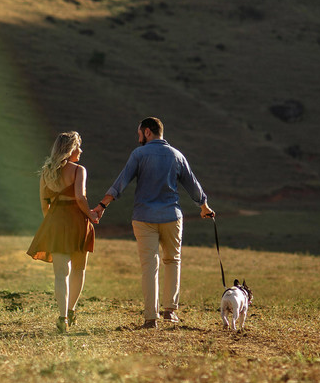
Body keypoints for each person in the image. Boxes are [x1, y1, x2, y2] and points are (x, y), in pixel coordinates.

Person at [97, 117, 214, 329]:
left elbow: (121, 181)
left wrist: (102, 206)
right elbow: (192, 185)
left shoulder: (139, 154)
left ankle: (151, 318)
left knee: (150, 267)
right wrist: (204, 206)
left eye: (139, 133)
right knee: (172, 261)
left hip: (144, 218)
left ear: (148, 132)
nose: (138, 137)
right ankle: (170, 311)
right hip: (172, 216)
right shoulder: (177, 155)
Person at [27, 131, 102, 333]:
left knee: (61, 274)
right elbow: (80, 197)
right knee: (79, 269)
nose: (81, 150)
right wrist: (92, 215)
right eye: (79, 146)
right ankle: (72, 310)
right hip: (77, 221)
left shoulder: (46, 172)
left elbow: (45, 204)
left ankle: (62, 317)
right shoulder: (79, 170)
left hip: (56, 221)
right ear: (71, 149)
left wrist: (51, 223)